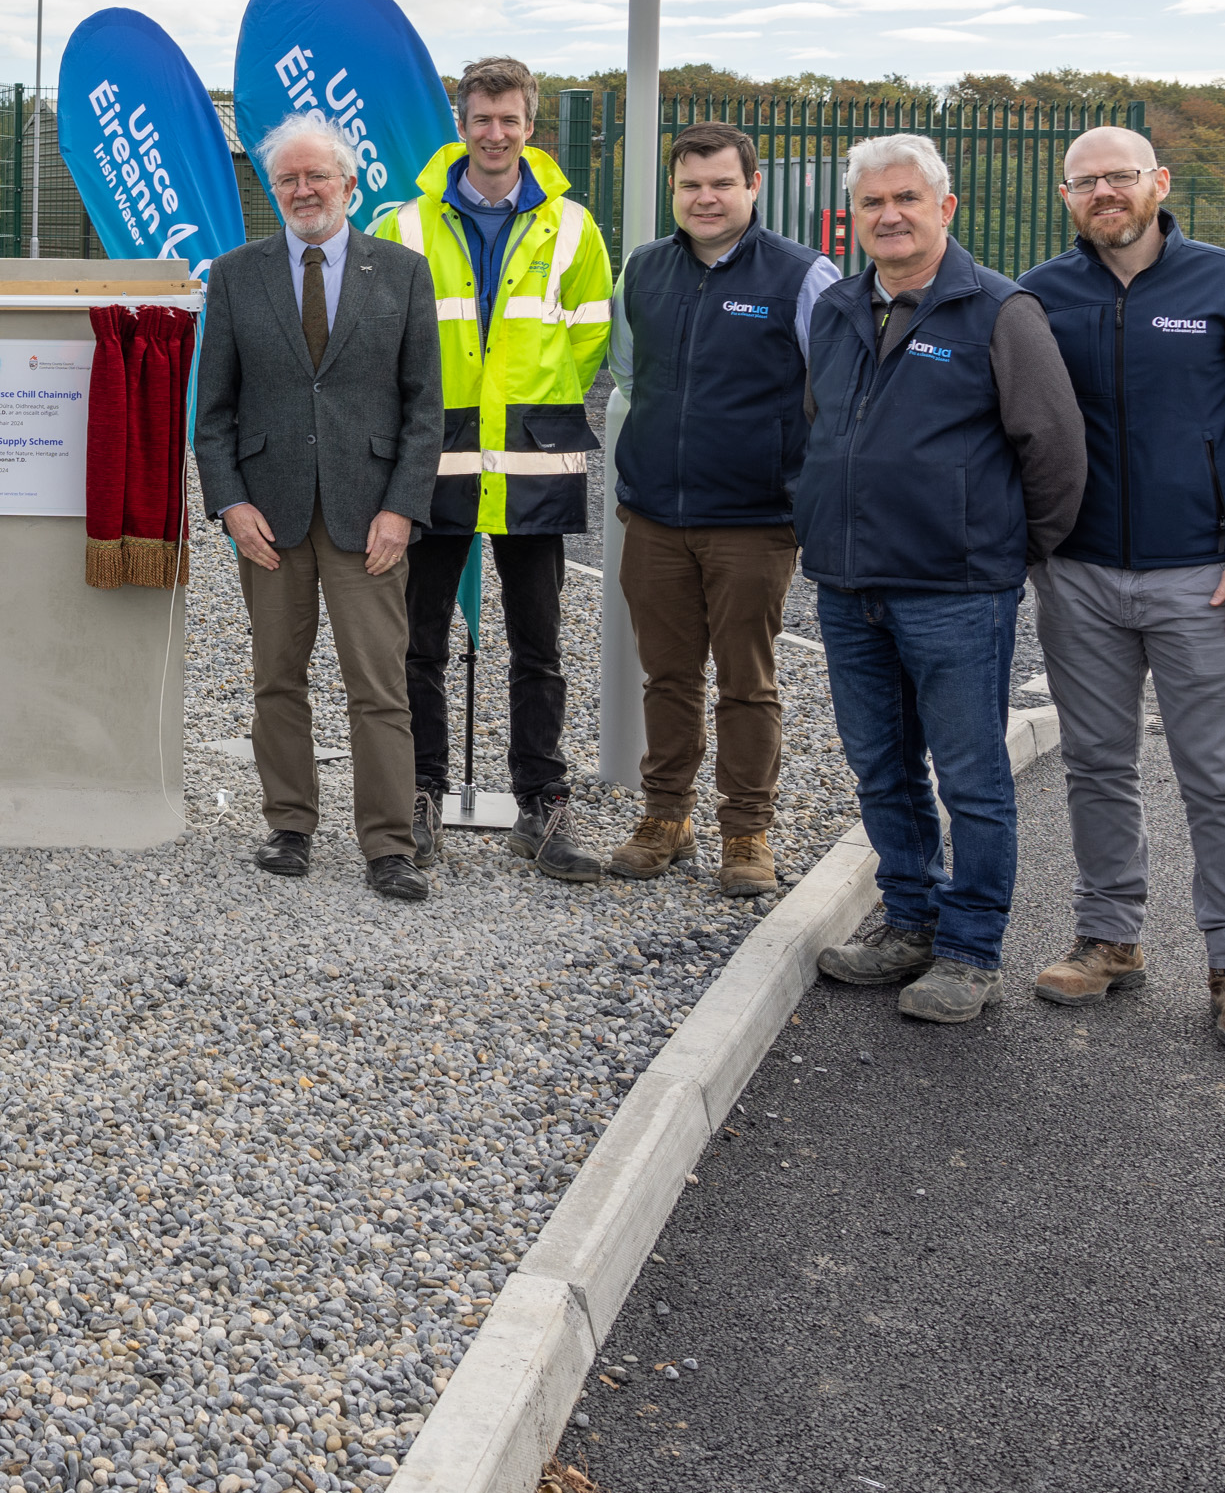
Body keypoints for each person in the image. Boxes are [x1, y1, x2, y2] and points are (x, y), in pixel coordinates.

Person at [1018, 125, 1225, 1055]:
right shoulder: (1039, 295)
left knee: (1220, 776)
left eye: (1119, 176)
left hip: (1203, 576)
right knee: (1095, 765)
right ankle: (1109, 937)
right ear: (1066, 196)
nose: (1103, 192)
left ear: (1160, 183)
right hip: (1079, 574)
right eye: (1085, 182)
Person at [802, 133, 1086, 1025]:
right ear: (854, 217)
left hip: (957, 593)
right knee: (881, 769)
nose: (889, 216)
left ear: (944, 208)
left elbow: (1054, 450)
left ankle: (970, 951)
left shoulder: (999, 311)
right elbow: (820, 426)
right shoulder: (837, 309)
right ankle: (911, 924)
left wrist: (1004, 553)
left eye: (907, 199)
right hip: (850, 587)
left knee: (972, 780)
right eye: (873, 203)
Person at [367, 56, 612, 883]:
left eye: (509, 120)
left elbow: (588, 336)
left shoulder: (574, 227)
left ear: (530, 126)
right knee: (420, 643)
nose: (495, 133)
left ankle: (542, 803)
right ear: (462, 124)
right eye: (482, 118)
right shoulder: (404, 224)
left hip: (535, 458)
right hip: (432, 456)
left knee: (539, 646)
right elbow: (384, 339)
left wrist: (530, 403)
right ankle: (422, 795)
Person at [191, 114, 446, 900]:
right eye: (288, 179)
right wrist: (231, 503)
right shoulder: (236, 275)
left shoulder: (402, 273)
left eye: (316, 177)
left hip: (369, 518)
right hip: (269, 518)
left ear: (349, 184)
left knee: (379, 687)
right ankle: (289, 825)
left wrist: (402, 508)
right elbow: (213, 413)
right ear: (274, 190)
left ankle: (389, 845)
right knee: (277, 680)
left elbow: (424, 410)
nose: (303, 190)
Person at [601, 122, 842, 899]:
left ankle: (747, 831)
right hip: (655, 519)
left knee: (748, 682)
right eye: (691, 185)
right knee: (667, 677)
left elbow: (833, 392)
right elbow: (630, 375)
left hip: (754, 522)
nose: (705, 198)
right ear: (674, 190)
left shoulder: (802, 276)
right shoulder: (643, 270)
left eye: (722, 184)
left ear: (752, 186)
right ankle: (666, 818)